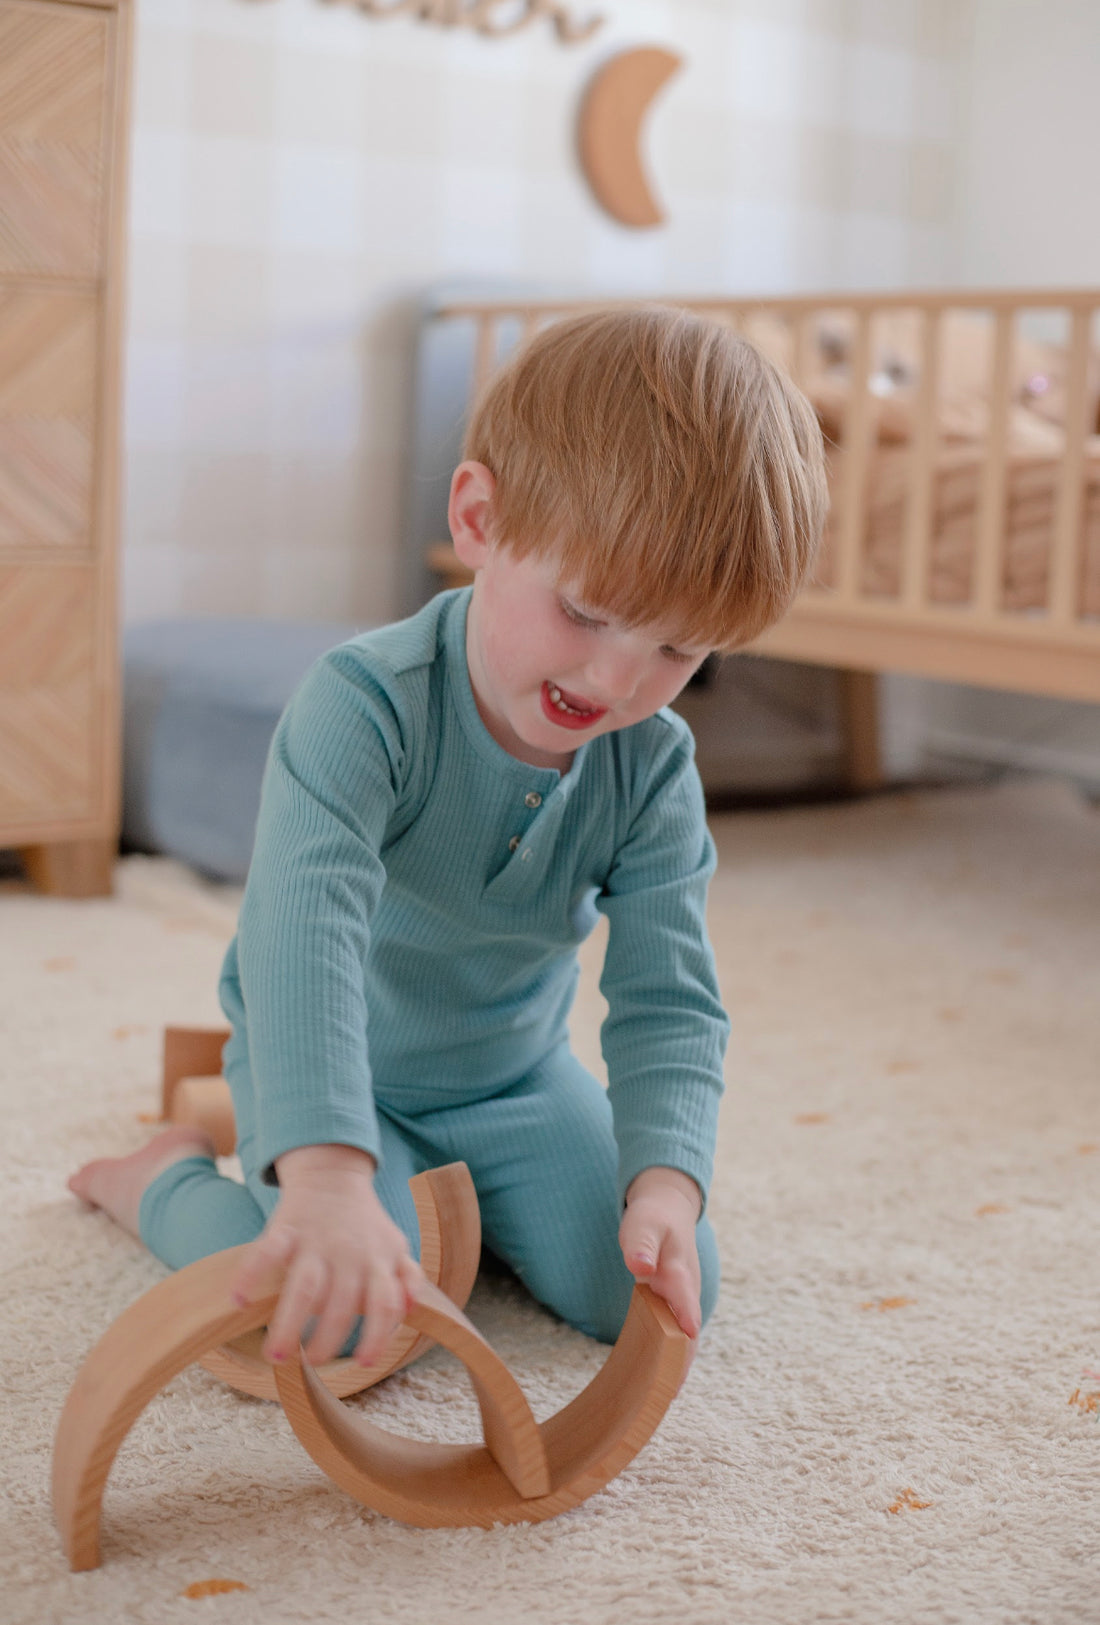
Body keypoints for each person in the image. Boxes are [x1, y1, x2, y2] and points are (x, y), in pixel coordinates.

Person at [69, 305, 827, 1375]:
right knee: (326, 1319)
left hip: (512, 1077)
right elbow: (301, 939)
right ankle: (157, 1178)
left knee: (655, 1283)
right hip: (342, 1074)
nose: (614, 680)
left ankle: (471, 1207)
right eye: (582, 610)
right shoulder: (361, 705)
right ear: (478, 519)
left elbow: (669, 995)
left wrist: (665, 1176)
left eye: (673, 648)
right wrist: (328, 1172)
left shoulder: (649, 764)